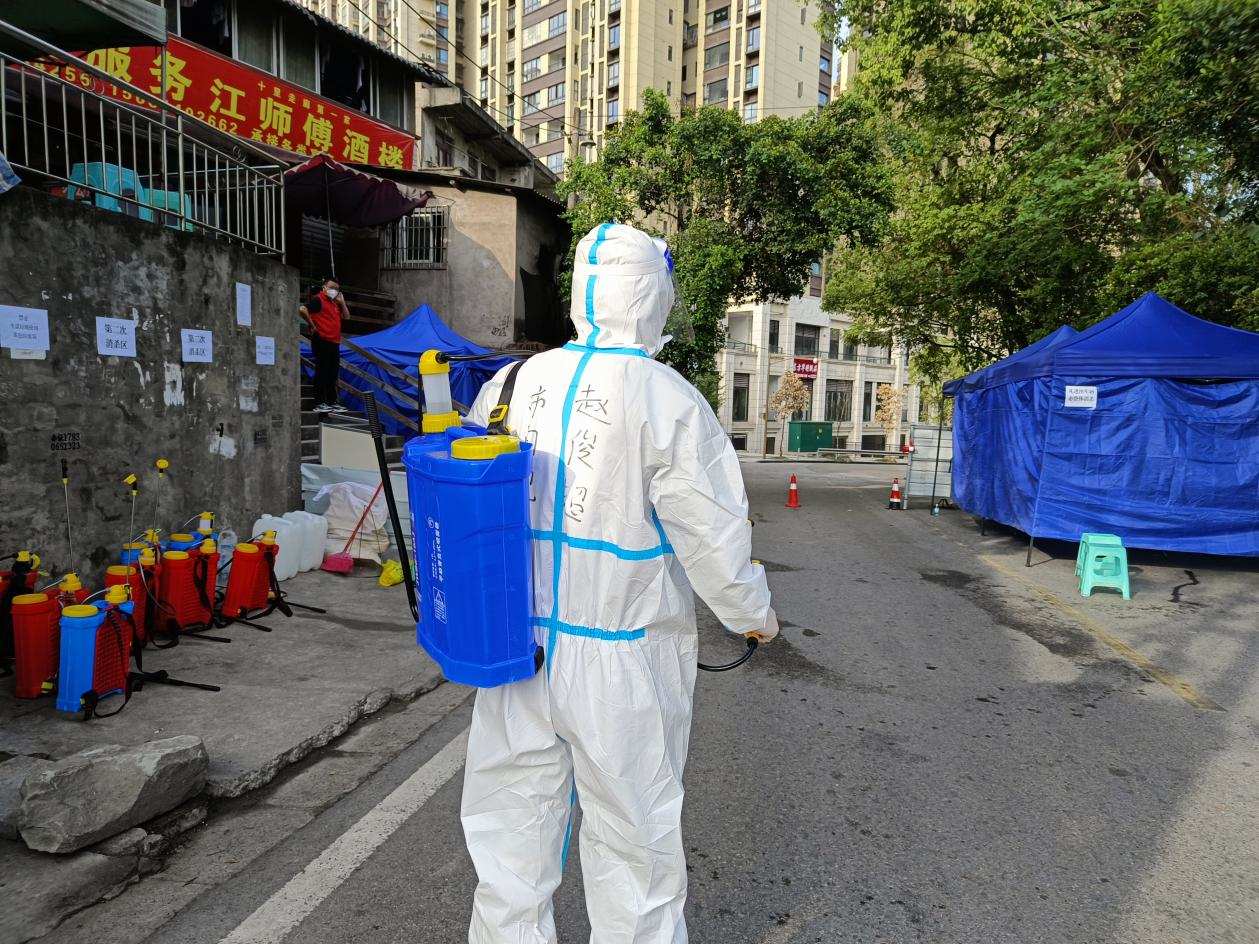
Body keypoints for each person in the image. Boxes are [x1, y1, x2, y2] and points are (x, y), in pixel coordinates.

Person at [461, 223, 778, 943]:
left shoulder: (511, 384)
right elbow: (713, 536)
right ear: (654, 297)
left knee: (509, 837)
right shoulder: (668, 400)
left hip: (516, 653)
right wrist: (751, 615)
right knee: (634, 846)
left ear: (581, 293)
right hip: (622, 658)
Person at [300, 279, 349, 413]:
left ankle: (332, 401)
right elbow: (303, 309)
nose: (334, 290)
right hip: (322, 339)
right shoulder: (319, 300)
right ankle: (319, 402)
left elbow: (347, 316)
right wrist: (312, 324)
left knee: (333, 372)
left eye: (337, 289)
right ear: (324, 287)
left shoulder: (334, 303)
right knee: (322, 371)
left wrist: (342, 302)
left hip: (334, 342)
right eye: (331, 287)